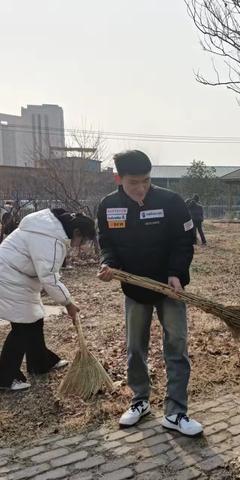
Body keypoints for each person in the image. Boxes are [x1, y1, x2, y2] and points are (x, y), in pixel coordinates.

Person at [96, 150, 203, 437]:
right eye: (134, 182)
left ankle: (176, 411)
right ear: (119, 178)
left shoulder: (171, 202)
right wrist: (109, 264)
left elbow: (184, 240)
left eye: (146, 180)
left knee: (176, 347)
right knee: (135, 349)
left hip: (170, 288)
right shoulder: (108, 206)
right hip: (134, 290)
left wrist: (176, 273)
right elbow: (106, 242)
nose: (141, 188)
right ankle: (140, 401)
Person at [0, 208, 95, 391]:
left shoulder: (50, 227)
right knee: (22, 326)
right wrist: (68, 303)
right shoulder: (50, 239)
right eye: (82, 240)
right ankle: (5, 378)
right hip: (9, 277)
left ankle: (40, 363)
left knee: (34, 320)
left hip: (18, 276)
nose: (80, 245)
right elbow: (49, 277)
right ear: (76, 233)